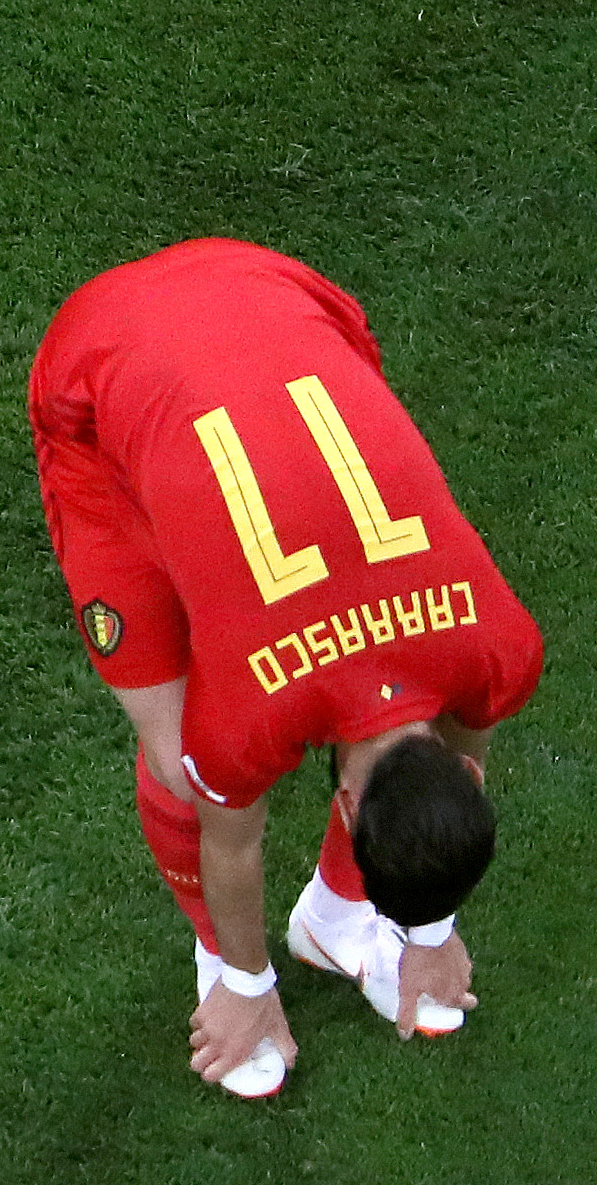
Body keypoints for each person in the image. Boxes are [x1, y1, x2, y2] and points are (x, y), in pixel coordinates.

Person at [27, 239, 543, 1098]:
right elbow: (230, 841)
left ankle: (335, 921)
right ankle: (215, 959)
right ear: (340, 804)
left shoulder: (497, 647)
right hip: (101, 358)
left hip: (282, 292)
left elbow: (464, 745)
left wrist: (432, 929)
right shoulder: (251, 720)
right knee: (181, 775)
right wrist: (246, 986)